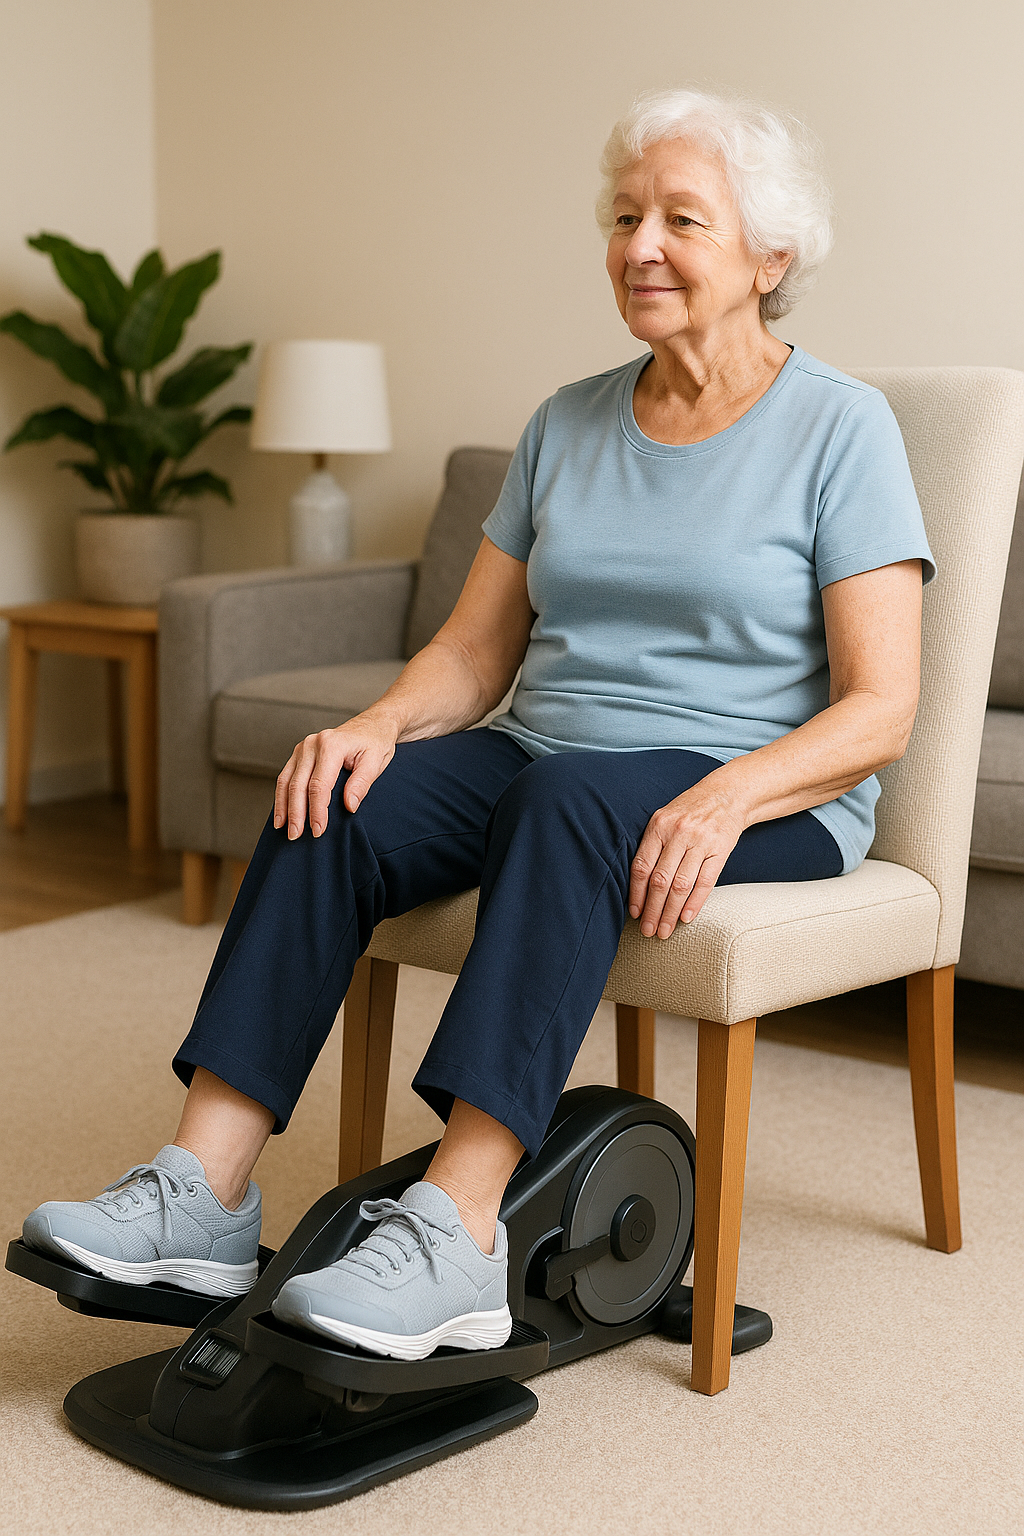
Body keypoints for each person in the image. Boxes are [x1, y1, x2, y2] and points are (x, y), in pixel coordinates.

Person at [24, 88, 934, 1362]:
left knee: (563, 805)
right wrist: (375, 727)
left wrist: (727, 795)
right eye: (626, 217)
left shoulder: (841, 427)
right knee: (334, 790)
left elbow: (881, 707)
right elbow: (473, 651)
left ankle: (456, 1233)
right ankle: (204, 1192)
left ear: (770, 260)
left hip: (756, 789)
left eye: (684, 219)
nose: (641, 246)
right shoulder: (566, 420)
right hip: (550, 757)